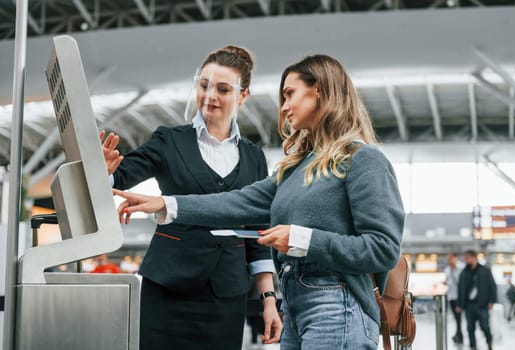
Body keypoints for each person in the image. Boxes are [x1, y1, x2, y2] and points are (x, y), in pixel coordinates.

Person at [113, 54, 405, 350]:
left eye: (290, 94)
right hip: (296, 308)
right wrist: (165, 204)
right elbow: (235, 203)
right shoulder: (294, 170)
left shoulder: (363, 160)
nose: (284, 106)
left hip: (338, 307)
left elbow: (383, 249)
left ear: (318, 89)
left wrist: (301, 238)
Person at [102, 45, 282, 350]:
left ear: (243, 95)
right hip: (168, 288)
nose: (210, 96)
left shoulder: (254, 158)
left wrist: (268, 300)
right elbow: (119, 177)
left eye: (223, 89)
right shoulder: (168, 140)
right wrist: (103, 171)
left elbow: (257, 237)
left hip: (226, 296)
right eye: (204, 85)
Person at [456, 250, 497, 350]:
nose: (466, 261)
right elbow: (460, 289)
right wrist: (459, 304)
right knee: (470, 328)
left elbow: (492, 286)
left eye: (467, 258)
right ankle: (473, 346)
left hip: (482, 304)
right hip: (469, 305)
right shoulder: (464, 273)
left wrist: (492, 301)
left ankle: (489, 342)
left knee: (485, 326)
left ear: (474, 258)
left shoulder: (485, 271)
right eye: (465, 258)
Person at [444, 252, 465, 344]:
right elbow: (448, 281)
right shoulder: (448, 269)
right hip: (451, 296)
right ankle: (458, 335)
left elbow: (461, 284)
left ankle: (459, 336)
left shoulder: (461, 268)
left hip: (458, 297)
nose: (449, 260)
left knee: (459, 318)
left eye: (450, 258)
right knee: (457, 318)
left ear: (455, 258)